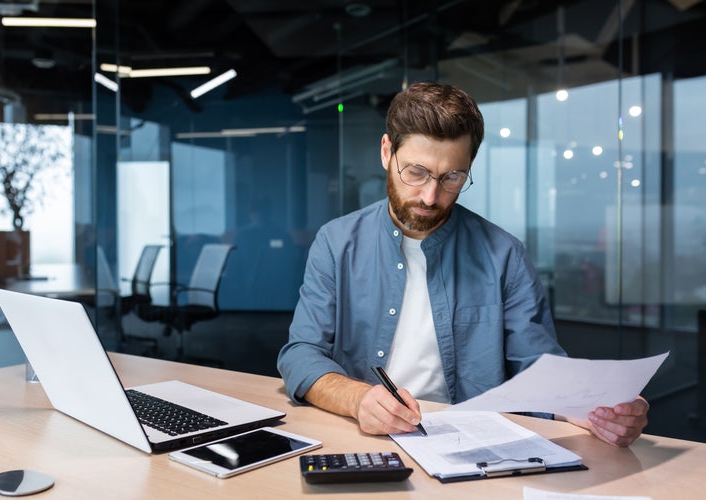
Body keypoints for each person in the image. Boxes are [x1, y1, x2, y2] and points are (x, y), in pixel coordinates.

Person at [277, 82, 649, 447]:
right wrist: (358, 399)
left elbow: (538, 369)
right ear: (387, 152)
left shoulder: (503, 254)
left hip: (469, 446)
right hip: (364, 438)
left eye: (452, 177)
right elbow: (300, 354)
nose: (430, 195)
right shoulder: (337, 241)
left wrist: (592, 409)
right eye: (416, 172)